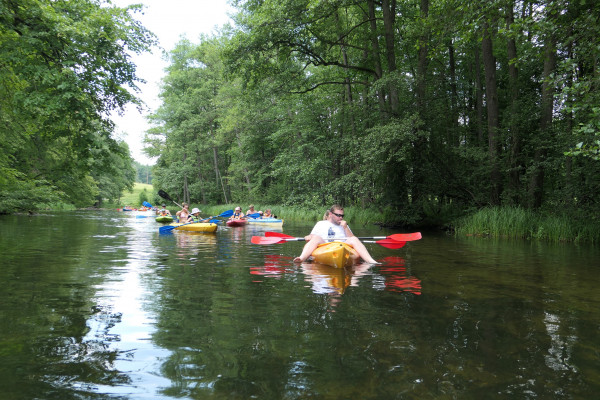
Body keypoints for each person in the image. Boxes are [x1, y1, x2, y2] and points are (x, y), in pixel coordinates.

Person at [293, 204, 379, 264]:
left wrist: (345, 227)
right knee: (315, 238)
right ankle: (301, 258)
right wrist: (309, 236)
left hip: (343, 246)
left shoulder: (344, 224)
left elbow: (352, 239)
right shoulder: (321, 223)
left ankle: (371, 261)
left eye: (342, 215)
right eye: (338, 215)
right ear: (330, 214)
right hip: (325, 246)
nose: (341, 217)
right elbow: (312, 236)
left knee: (354, 239)